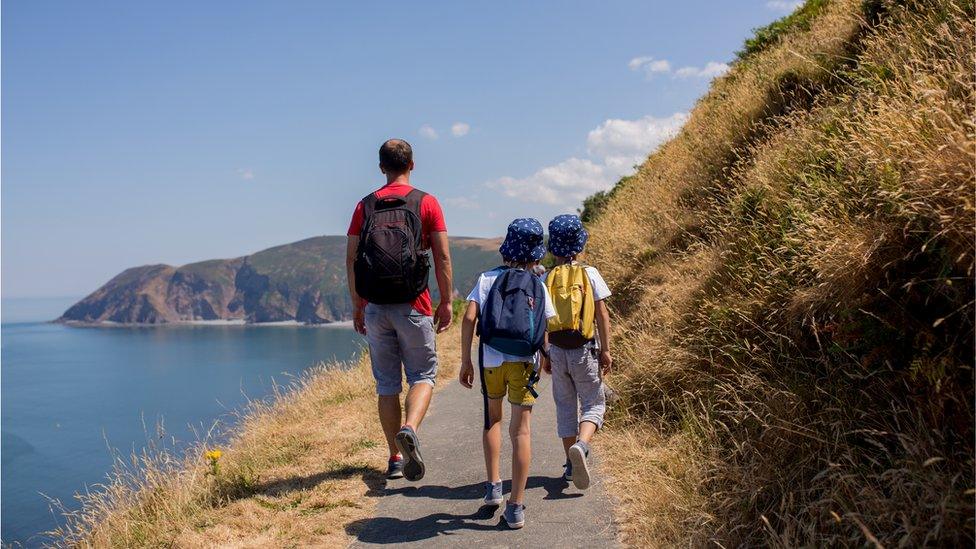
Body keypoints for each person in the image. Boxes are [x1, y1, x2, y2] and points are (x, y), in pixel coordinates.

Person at [346, 139, 454, 482]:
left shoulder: (364, 206)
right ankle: (410, 428)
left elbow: (351, 260)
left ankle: (394, 456)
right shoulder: (427, 202)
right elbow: (443, 258)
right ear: (413, 164)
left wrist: (357, 305)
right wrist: (447, 301)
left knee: (387, 385)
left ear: (381, 167)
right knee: (422, 376)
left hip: (377, 307)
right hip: (415, 305)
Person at [459, 218, 556, 529]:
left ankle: (492, 487)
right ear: (536, 256)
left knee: (493, 420)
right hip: (524, 362)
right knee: (522, 431)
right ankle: (515, 507)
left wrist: (465, 361)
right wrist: (546, 357)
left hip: (491, 361)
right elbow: (545, 326)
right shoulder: (538, 285)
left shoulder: (486, 279)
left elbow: (469, 318)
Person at [542, 214, 612, 490]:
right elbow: (602, 316)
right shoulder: (589, 273)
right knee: (594, 403)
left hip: (557, 352)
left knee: (565, 406)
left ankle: (570, 466)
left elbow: (544, 319)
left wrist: (546, 353)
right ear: (579, 245)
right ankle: (582, 446)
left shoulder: (548, 277)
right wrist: (606, 350)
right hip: (585, 349)